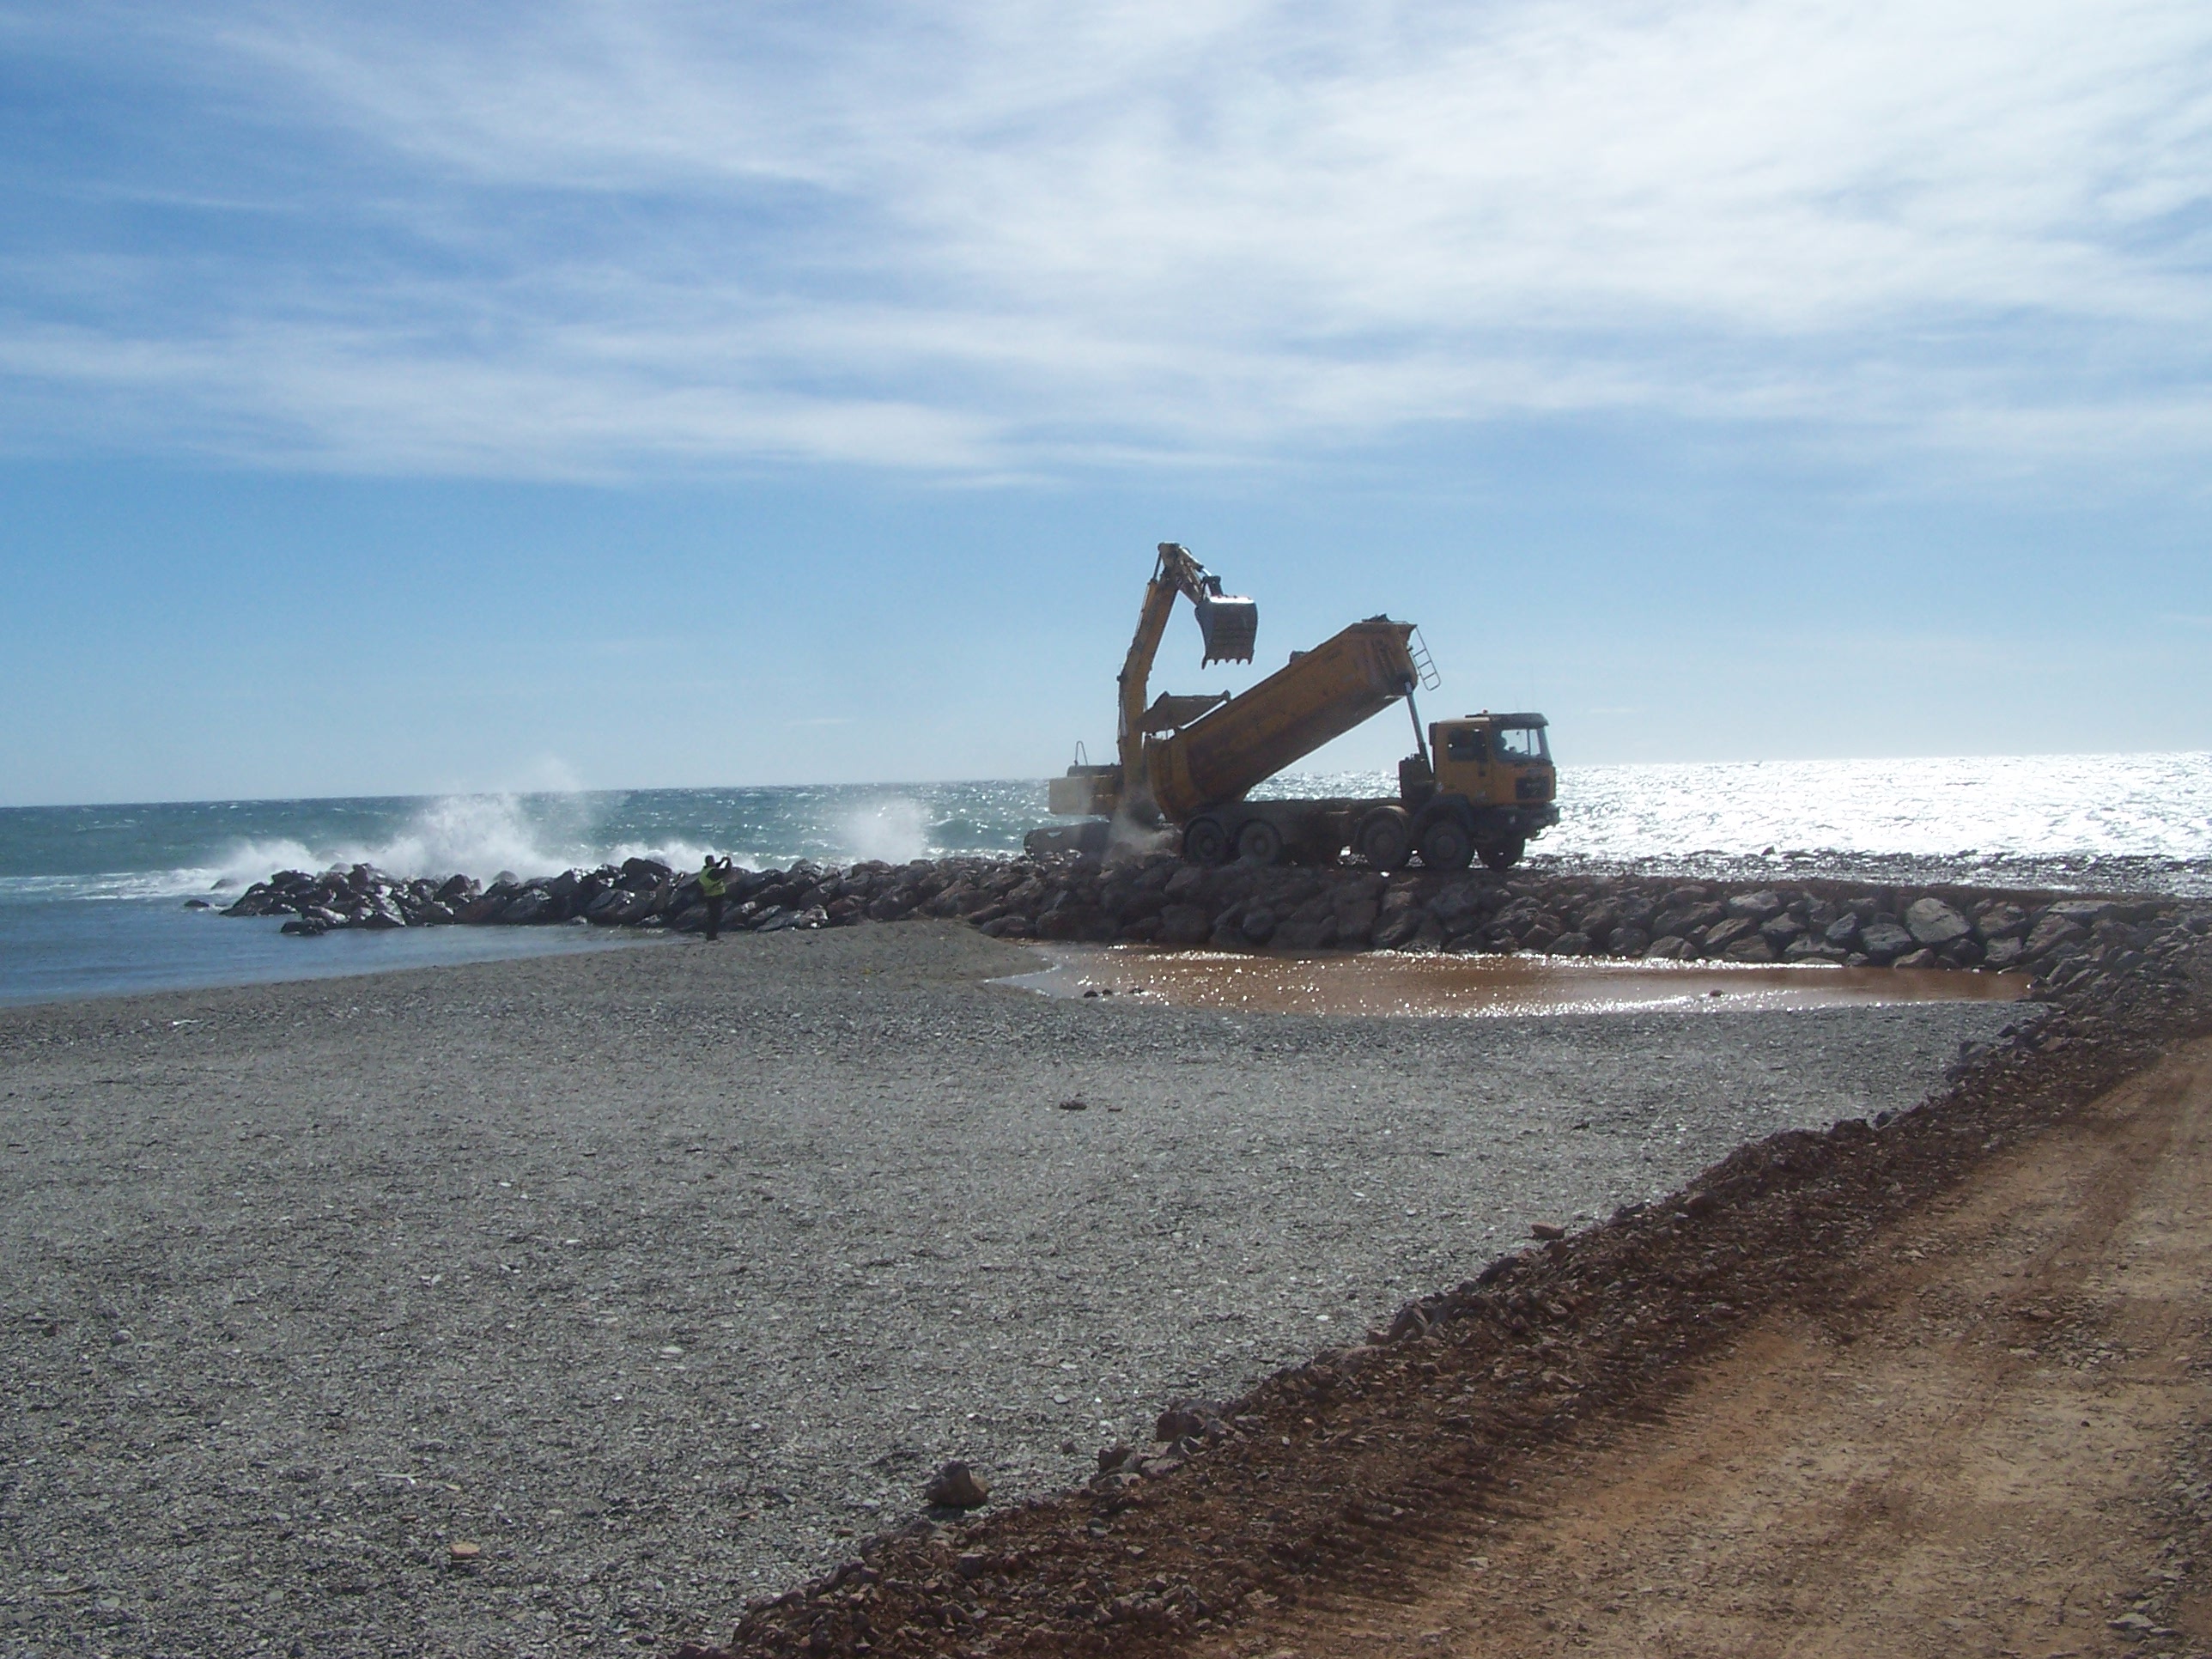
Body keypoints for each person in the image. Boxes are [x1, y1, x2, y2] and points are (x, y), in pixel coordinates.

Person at [697, 854, 732, 941]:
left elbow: (715, 868)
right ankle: (712, 936)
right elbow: (726, 871)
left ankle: (710, 934)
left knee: (712, 916)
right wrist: (729, 862)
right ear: (710, 862)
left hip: (709, 896)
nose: (714, 862)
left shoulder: (705, 871)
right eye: (713, 860)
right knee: (716, 916)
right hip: (716, 896)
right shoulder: (712, 872)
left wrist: (722, 861)